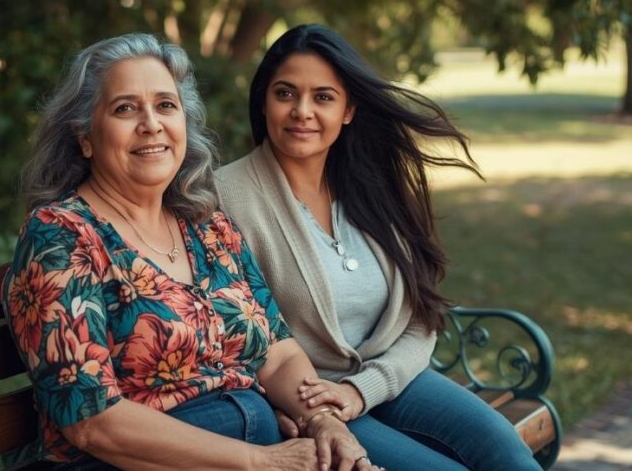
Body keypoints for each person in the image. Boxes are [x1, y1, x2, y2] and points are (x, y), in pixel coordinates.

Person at [1, 33, 379, 470]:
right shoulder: (62, 237)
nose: (151, 124)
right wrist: (261, 462)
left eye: (165, 105)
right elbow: (92, 422)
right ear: (85, 136)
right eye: (125, 108)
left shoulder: (209, 228)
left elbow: (278, 354)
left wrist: (323, 420)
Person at [216, 24, 543, 471]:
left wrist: (363, 389)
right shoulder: (225, 197)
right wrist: (280, 405)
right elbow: (229, 333)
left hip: (393, 383)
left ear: (349, 109)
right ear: (264, 102)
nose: (302, 111)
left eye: (323, 97)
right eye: (285, 94)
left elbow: (418, 320)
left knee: (507, 452)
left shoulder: (369, 187)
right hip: (310, 405)